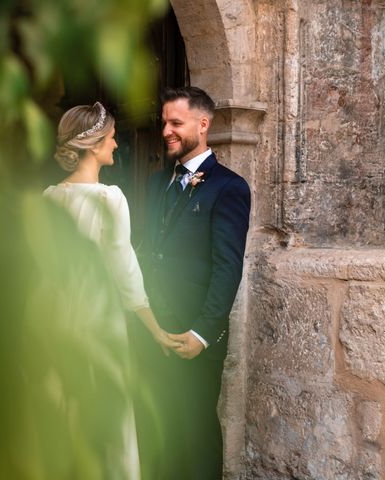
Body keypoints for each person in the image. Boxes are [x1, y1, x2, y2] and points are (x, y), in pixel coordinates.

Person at [43, 103, 181, 478]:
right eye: (112, 137)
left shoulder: (49, 198)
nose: (117, 144)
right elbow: (126, 272)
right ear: (92, 145)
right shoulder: (109, 199)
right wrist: (155, 330)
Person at [133, 86, 251, 479]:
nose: (166, 130)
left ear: (203, 125)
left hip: (194, 338)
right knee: (156, 434)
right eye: (163, 122)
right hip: (153, 333)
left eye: (176, 123)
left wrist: (202, 332)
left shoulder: (229, 187)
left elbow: (227, 267)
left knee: (195, 433)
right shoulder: (155, 184)